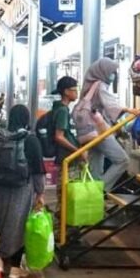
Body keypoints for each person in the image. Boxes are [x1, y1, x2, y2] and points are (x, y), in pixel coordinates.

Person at [0, 104, 45, 278]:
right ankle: (14, 267)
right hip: (21, 187)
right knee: (19, 224)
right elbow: (38, 169)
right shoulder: (29, 139)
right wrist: (40, 193)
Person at [79, 58, 140, 192]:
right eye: (111, 72)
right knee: (122, 160)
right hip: (100, 130)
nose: (113, 75)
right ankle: (98, 191)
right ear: (103, 71)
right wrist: (128, 110)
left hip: (89, 131)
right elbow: (111, 105)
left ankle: (92, 200)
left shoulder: (90, 85)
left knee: (95, 167)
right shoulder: (100, 85)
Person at [50, 77, 87, 211]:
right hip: (67, 159)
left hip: (67, 158)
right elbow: (59, 137)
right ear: (66, 92)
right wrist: (77, 151)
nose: (77, 93)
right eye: (74, 90)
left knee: (66, 196)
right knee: (67, 197)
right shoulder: (62, 111)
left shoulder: (61, 109)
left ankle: (64, 227)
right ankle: (63, 229)